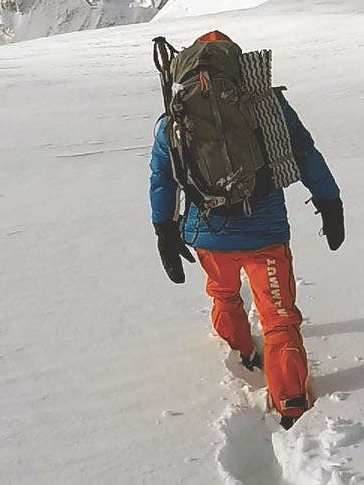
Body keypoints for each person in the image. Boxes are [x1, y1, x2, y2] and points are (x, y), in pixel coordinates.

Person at [149, 30, 345, 430]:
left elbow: (162, 177)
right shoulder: (268, 104)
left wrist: (164, 231)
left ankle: (238, 353)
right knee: (278, 316)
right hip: (265, 233)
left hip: (207, 234)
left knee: (223, 294)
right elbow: (304, 152)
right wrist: (329, 201)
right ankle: (290, 400)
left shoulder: (175, 115)